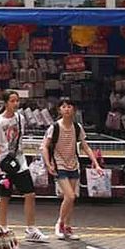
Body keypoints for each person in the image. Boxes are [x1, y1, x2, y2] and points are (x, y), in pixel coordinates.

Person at [42, 98, 103, 240]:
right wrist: (48, 163)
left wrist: (96, 162)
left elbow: (85, 146)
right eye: (64, 106)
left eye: (69, 106)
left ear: (74, 109)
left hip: (73, 163)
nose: (67, 109)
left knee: (70, 199)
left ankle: (68, 227)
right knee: (70, 196)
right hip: (59, 164)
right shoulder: (54, 127)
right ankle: (60, 223)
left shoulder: (77, 127)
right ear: (59, 110)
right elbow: (45, 146)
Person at [0, 90, 47, 242]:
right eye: (12, 101)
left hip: (20, 162)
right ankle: (2, 226)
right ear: (5, 102)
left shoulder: (20, 118)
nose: (16, 104)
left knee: (29, 194)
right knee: (4, 196)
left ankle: (31, 228)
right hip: (5, 163)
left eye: (17, 101)